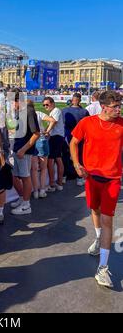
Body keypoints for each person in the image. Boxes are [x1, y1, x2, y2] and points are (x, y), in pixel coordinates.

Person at [70, 91, 123, 288]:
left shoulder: (122, 125)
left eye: (120, 106)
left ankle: (102, 268)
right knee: (95, 210)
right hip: (91, 178)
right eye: (115, 106)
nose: (118, 109)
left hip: (113, 179)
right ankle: (99, 238)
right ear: (104, 107)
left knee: (108, 219)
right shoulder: (87, 123)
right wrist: (76, 164)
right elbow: (74, 142)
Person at [10, 91, 40, 216]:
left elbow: (36, 133)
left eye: (12, 102)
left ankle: (26, 205)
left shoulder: (29, 111)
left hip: (24, 151)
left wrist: (23, 149)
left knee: (25, 177)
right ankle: (23, 199)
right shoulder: (21, 112)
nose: (11, 104)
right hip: (18, 149)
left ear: (18, 101)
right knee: (17, 176)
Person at [62, 93, 89, 186]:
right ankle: (77, 177)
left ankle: (66, 176)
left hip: (70, 136)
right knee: (77, 156)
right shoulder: (83, 111)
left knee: (68, 156)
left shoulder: (66, 110)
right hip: (76, 136)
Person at [31, 104, 56, 199]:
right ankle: (42, 190)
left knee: (33, 169)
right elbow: (53, 120)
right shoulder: (38, 113)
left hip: (31, 141)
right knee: (43, 168)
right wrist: (47, 131)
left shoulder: (23, 115)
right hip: (41, 139)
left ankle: (36, 192)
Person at [42, 97, 65, 192]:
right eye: (44, 105)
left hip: (56, 137)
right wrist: (46, 130)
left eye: (47, 104)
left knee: (51, 161)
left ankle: (53, 183)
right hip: (57, 137)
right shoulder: (53, 112)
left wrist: (47, 131)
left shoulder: (56, 110)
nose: (45, 106)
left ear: (52, 103)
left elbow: (54, 122)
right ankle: (58, 182)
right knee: (58, 159)